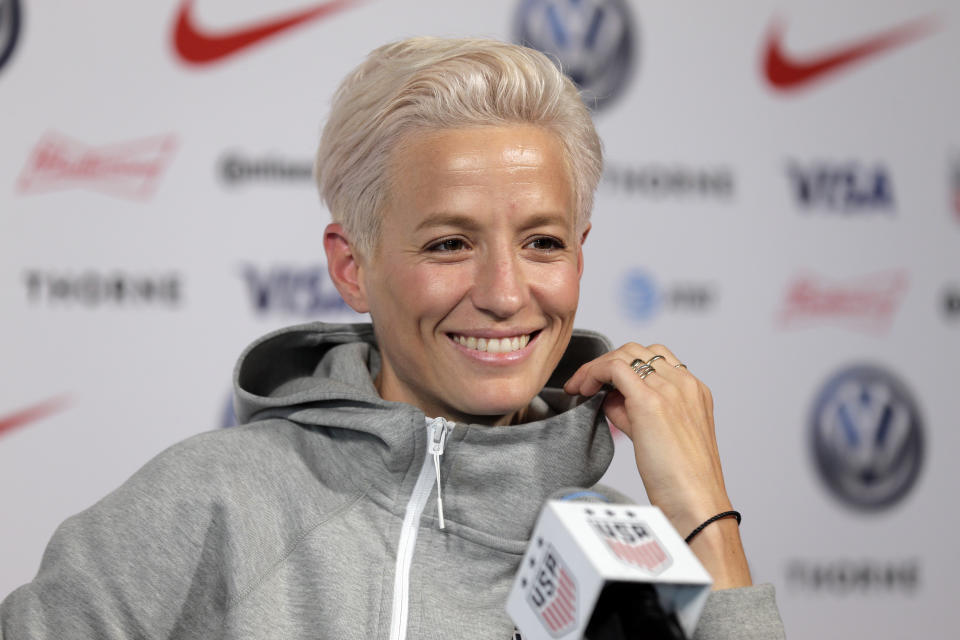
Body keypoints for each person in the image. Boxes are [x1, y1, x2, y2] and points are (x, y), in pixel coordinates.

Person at [1, 37, 784, 639]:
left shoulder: (627, 551)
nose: (506, 294)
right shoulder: (217, 502)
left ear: (581, 254)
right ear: (352, 266)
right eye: (449, 244)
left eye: (542, 242)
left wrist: (701, 512)